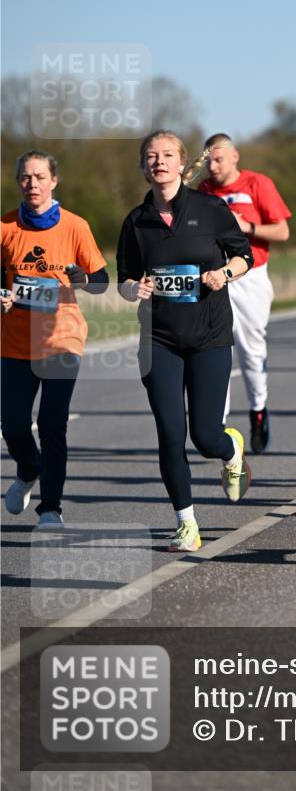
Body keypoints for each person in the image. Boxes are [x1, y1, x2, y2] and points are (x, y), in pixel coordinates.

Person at [116, 130, 254, 553]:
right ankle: (186, 523)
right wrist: (131, 290)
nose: (159, 161)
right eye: (151, 156)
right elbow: (124, 278)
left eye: (167, 155)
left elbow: (243, 256)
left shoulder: (210, 209)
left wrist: (224, 274)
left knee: (205, 435)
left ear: (181, 163)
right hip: (159, 338)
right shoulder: (137, 222)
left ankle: (231, 451)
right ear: (143, 166)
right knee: (170, 433)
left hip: (209, 334)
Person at [1, 150, 108, 527]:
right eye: (26, 177)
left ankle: (51, 508)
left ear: (54, 181)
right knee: (12, 425)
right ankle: (28, 470)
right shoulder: (5, 227)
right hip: (13, 343)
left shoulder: (75, 226)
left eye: (40, 177)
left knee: (51, 424)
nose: (33, 184)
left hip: (62, 338)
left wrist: (81, 279)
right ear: (19, 182)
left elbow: (101, 280)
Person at [190, 134, 291, 454]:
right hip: (211, 278)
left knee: (250, 348)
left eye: (219, 159)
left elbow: (282, 231)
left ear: (235, 156)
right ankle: (217, 422)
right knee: (213, 348)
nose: (214, 166)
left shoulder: (256, 183)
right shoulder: (202, 192)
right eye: (208, 161)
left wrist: (245, 227)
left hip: (250, 275)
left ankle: (258, 410)